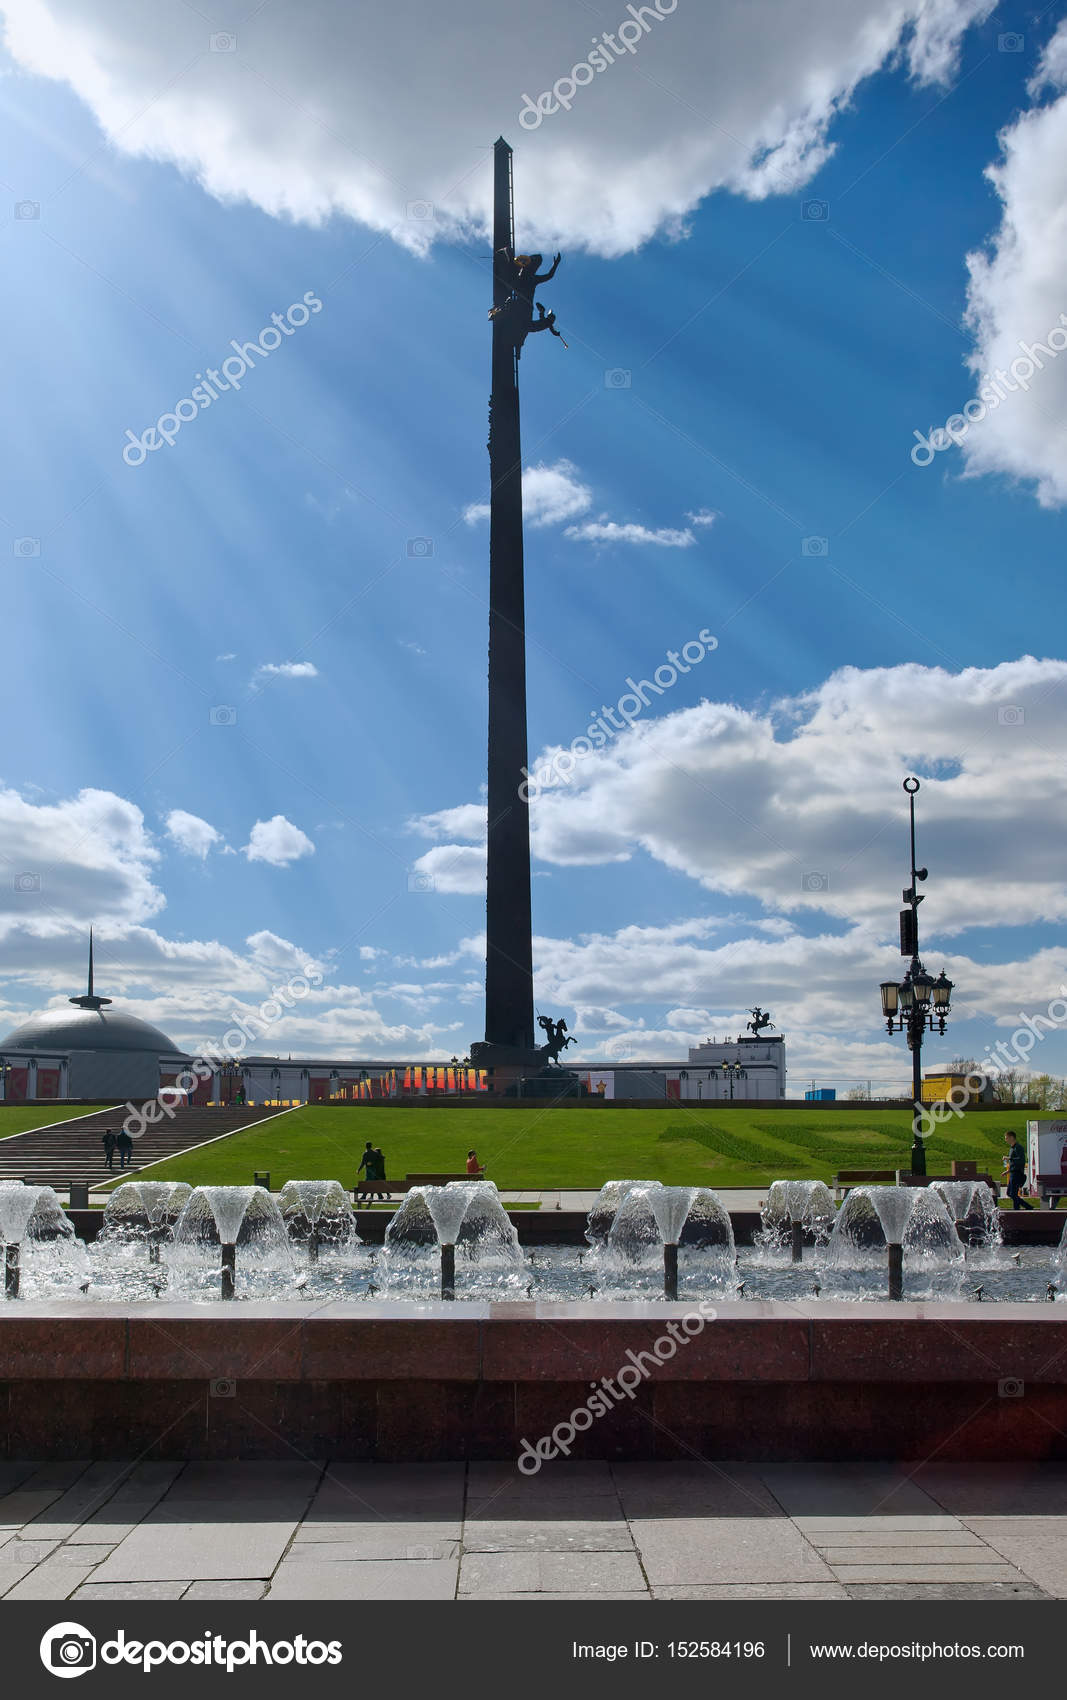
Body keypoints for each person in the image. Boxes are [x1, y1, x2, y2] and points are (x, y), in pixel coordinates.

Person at [1003, 1130, 1033, 1210]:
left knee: (1013, 1193)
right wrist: (1008, 1171)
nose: (1005, 1140)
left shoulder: (1018, 1148)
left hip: (1017, 1174)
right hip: (1013, 1173)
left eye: (1007, 1138)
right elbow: (1014, 1163)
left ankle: (1021, 1208)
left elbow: (1021, 1160)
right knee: (1010, 1193)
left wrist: (1009, 1158)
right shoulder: (1012, 1148)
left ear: (1012, 1137)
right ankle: (1021, 1208)